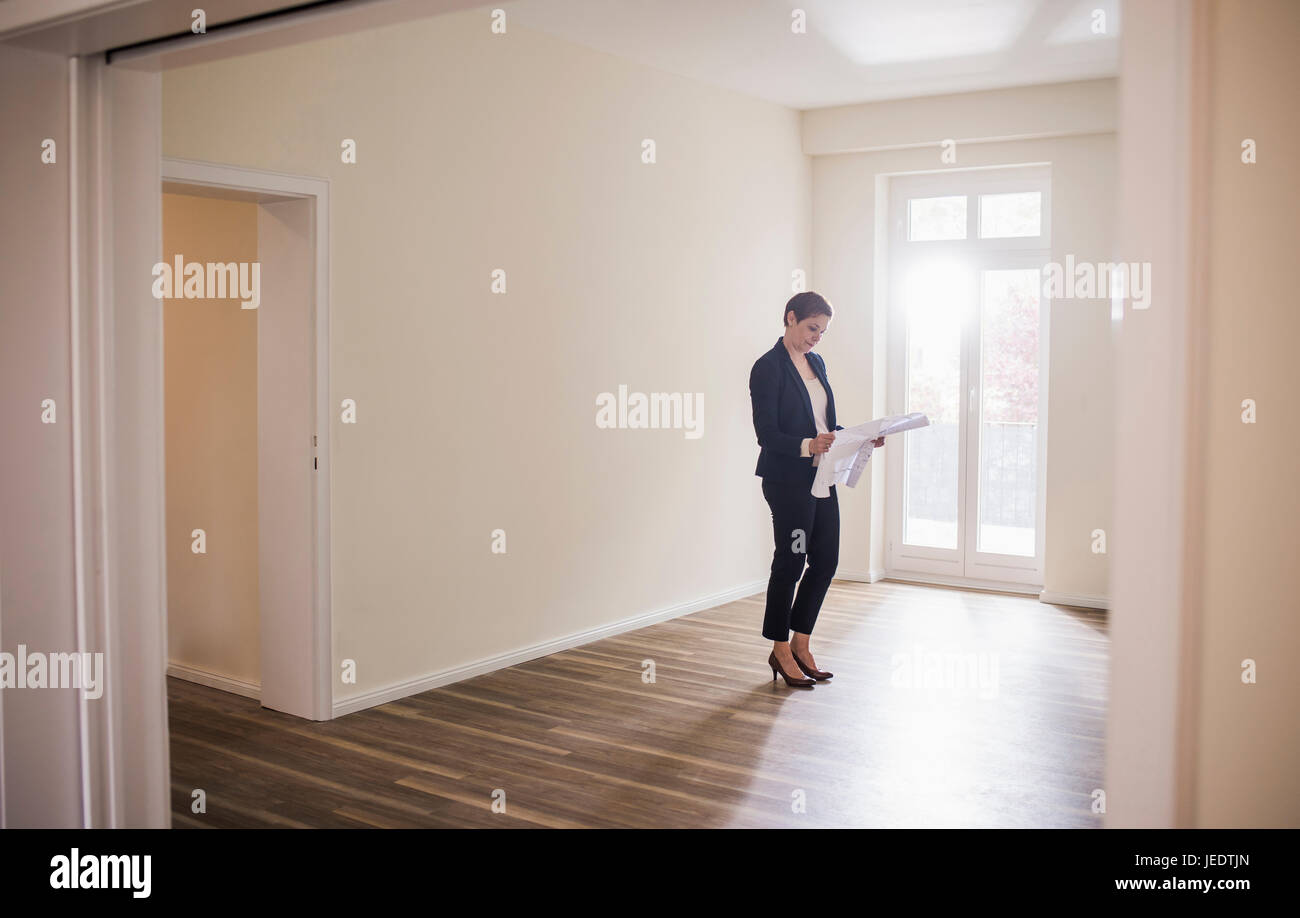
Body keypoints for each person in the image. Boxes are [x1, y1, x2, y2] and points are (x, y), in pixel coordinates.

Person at [748, 292, 884, 688]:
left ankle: (801, 643)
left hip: (821, 477)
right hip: (788, 482)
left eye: (822, 332)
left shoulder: (817, 363)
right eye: (812, 328)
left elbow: (825, 424)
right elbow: (767, 433)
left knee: (826, 560)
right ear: (790, 318)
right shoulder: (767, 368)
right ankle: (779, 647)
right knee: (790, 562)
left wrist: (859, 438)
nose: (816, 338)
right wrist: (810, 444)